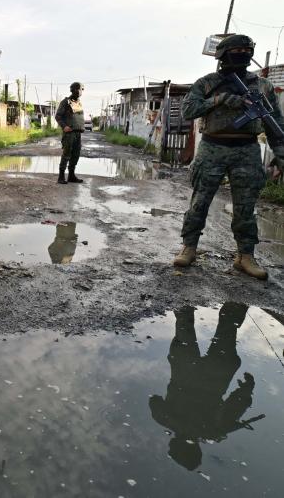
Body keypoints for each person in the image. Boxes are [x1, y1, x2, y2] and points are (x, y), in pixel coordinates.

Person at [173, 34, 284, 279]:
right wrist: (220, 99)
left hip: (247, 150)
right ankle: (189, 247)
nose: (243, 53)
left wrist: (281, 154)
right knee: (199, 202)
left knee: (245, 207)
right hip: (212, 148)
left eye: (247, 49)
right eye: (237, 49)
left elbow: (275, 123)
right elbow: (188, 110)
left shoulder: (262, 85)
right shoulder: (207, 83)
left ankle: (245, 256)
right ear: (224, 53)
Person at [149, 303, 259, 471]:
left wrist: (247, 387)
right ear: (175, 443)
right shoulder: (165, 419)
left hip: (216, 375)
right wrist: (172, 422)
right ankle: (188, 292)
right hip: (186, 368)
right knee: (185, 319)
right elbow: (154, 401)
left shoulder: (214, 430)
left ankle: (237, 299)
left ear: (197, 449)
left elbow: (239, 403)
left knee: (228, 326)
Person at [55, 82, 86, 184]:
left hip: (78, 133)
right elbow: (58, 116)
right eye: (77, 89)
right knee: (66, 154)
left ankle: (71, 176)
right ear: (72, 90)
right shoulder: (66, 102)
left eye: (81, 89)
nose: (79, 91)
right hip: (69, 133)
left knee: (76, 154)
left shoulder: (79, 103)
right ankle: (61, 177)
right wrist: (64, 127)